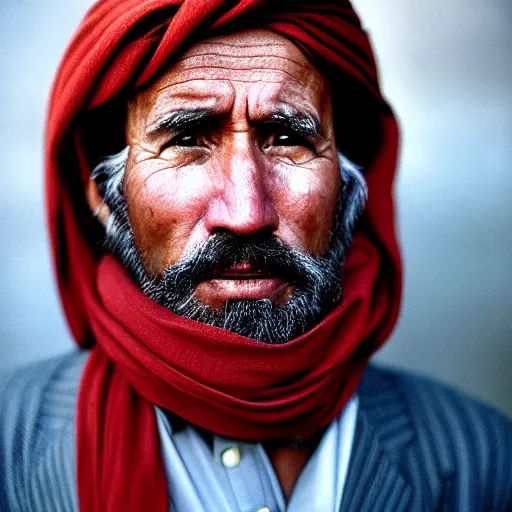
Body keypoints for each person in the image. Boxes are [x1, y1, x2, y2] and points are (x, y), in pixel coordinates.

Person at [0, 0, 511, 510]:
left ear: (349, 185)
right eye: (186, 139)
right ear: (104, 195)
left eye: (288, 138)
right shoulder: (10, 451)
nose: (246, 213)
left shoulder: (483, 460)